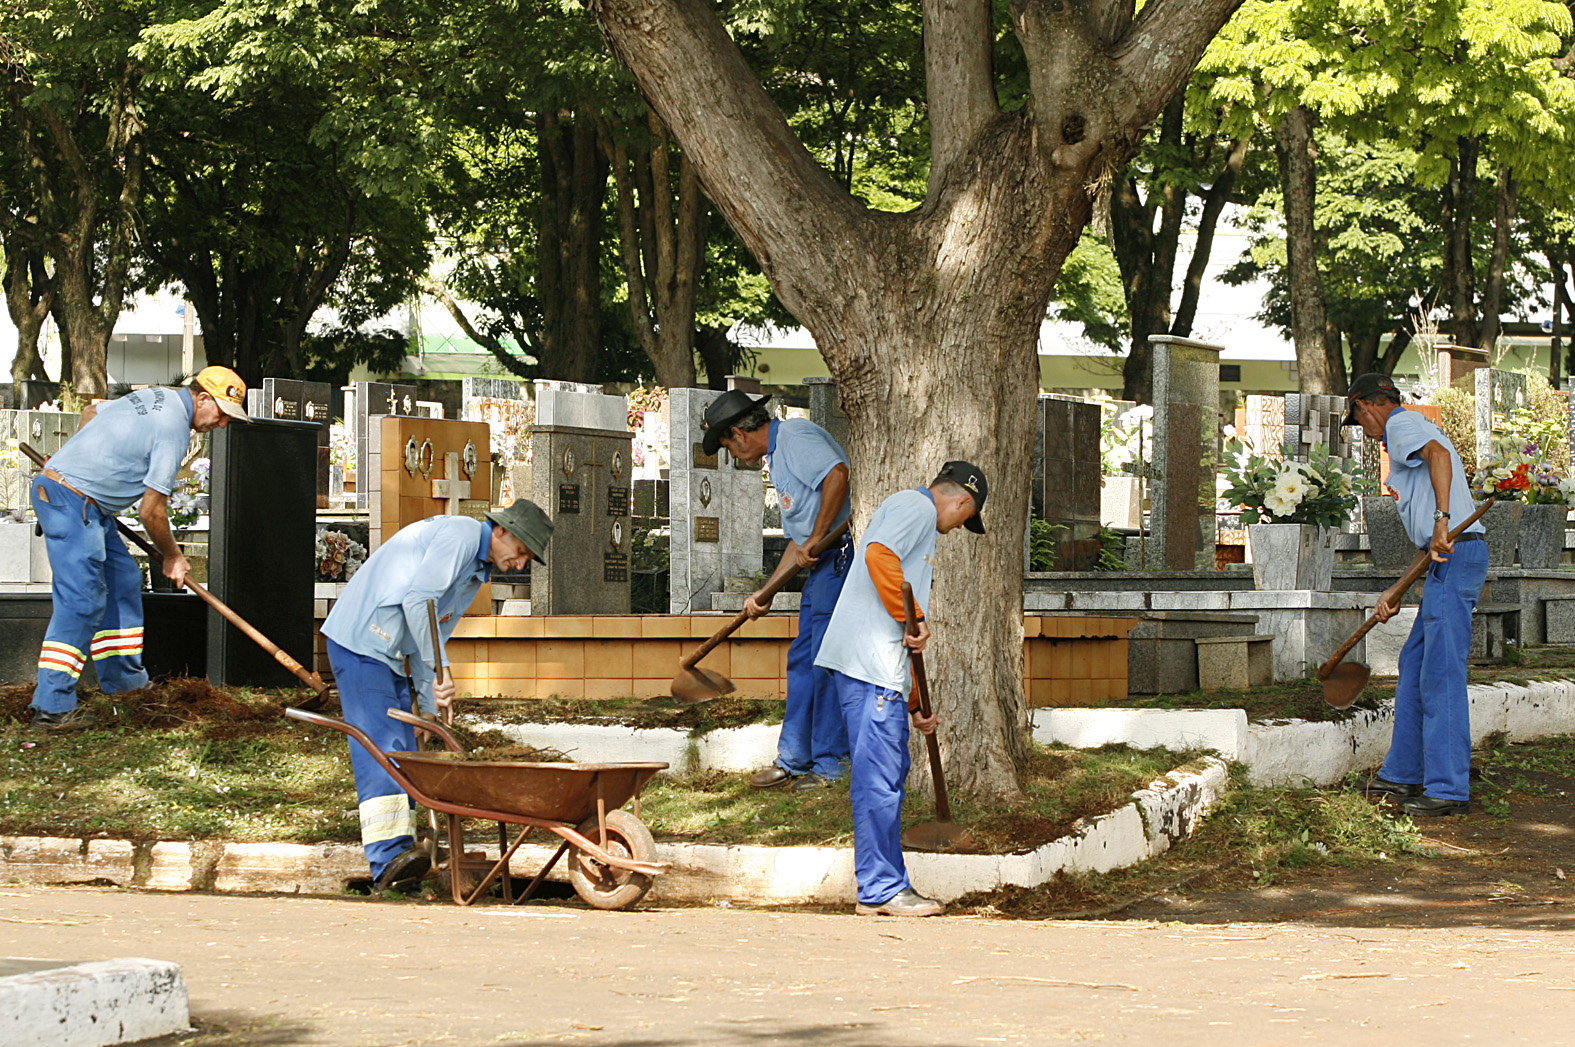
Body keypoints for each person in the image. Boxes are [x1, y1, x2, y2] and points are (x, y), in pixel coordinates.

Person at [320, 500, 553, 892]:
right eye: (522, 551)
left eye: (528, 557)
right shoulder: (461, 535)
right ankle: (389, 860)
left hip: (389, 652)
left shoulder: (477, 572)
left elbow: (434, 630)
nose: (521, 563)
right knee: (382, 746)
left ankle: (405, 855)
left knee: (407, 749)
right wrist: (441, 671)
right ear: (502, 531)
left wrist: (428, 706)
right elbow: (418, 602)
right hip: (362, 642)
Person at [29, 366, 251, 731]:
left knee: (124, 582)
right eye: (223, 415)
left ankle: (126, 687)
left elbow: (91, 412)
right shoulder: (172, 429)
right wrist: (174, 556)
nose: (222, 425)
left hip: (88, 504)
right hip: (72, 502)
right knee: (83, 601)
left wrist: (83, 460)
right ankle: (52, 706)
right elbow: (152, 511)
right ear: (203, 399)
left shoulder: (155, 396)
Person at [814, 460, 987, 916]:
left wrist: (914, 704)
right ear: (963, 502)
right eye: (964, 520)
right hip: (869, 669)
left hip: (878, 670)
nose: (956, 529)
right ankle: (880, 889)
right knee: (878, 782)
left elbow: (899, 631)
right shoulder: (918, 508)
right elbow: (878, 557)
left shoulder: (910, 511)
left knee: (886, 777)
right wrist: (917, 619)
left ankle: (883, 886)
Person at [1345, 372, 1487, 817]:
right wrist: (1397, 588)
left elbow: (1440, 457)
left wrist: (1443, 519)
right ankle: (1403, 772)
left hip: (1457, 552)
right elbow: (1430, 544)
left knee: (1440, 673)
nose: (1365, 431)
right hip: (1446, 557)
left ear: (1366, 406)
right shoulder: (1408, 431)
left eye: (1359, 419)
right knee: (1415, 662)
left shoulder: (1401, 425)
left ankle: (1447, 790)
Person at [702, 390, 854, 792]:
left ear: (739, 433)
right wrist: (765, 592)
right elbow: (798, 541)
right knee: (803, 658)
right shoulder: (778, 458)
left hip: (842, 556)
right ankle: (794, 759)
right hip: (821, 562)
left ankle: (830, 765)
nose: (733, 457)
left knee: (825, 660)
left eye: (727, 447)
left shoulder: (796, 437)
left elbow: (837, 475)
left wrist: (818, 537)